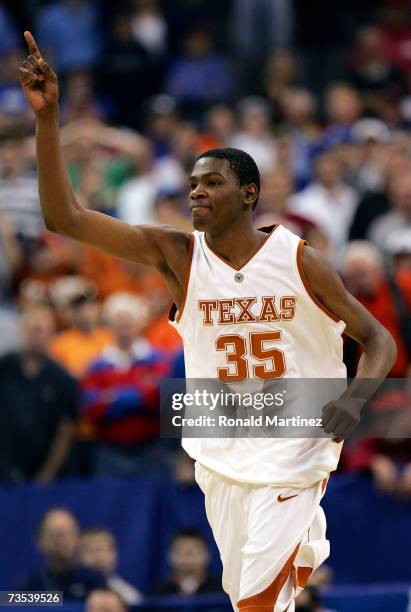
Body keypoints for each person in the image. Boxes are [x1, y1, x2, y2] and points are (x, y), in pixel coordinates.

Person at [19, 33, 396, 611]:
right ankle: (300, 554)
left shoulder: (296, 257)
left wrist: (355, 398)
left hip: (296, 439)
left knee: (257, 601)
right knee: (256, 596)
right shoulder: (180, 256)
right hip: (221, 448)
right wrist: (48, 120)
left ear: (249, 194)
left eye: (211, 182)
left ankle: (296, 543)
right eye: (193, 183)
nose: (196, 191)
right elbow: (63, 217)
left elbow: (378, 340)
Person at [0, 306, 77, 484]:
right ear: (22, 332)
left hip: (47, 469)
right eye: (31, 330)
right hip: (5, 466)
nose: (36, 336)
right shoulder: (4, 368)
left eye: (41, 330)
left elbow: (66, 429)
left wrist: (48, 473)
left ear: (52, 334)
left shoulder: (62, 378)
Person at [23, 508, 106, 599]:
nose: (65, 540)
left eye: (70, 533)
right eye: (59, 534)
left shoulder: (94, 581)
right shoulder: (30, 585)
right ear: (41, 542)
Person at [79, 527, 142, 605]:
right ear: (79, 556)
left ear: (115, 555)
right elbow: (59, 602)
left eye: (103, 550)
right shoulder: (66, 585)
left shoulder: (129, 595)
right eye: (91, 551)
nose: (99, 558)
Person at [156, 529, 222, 595]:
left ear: (207, 555)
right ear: (170, 556)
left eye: (194, 551)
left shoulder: (222, 591)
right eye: (180, 550)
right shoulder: (159, 594)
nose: (188, 557)